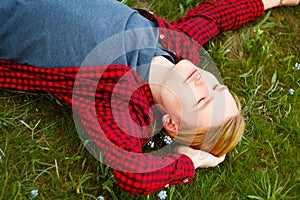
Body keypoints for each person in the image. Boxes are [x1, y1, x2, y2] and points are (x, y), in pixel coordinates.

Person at [0, 0, 298, 195]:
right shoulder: (178, 45)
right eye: (217, 88)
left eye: (202, 100)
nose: (203, 83)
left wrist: (188, 162)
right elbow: (215, 17)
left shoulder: (121, 104)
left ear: (169, 123)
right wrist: (272, 0)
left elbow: (133, 176)